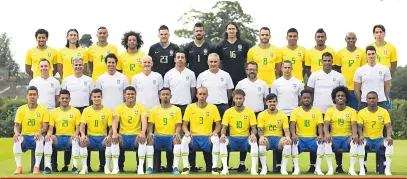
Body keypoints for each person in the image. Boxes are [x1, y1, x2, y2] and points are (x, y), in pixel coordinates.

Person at [180, 87, 222, 174]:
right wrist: (186, 132)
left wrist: (215, 132)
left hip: (207, 137)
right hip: (193, 137)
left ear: (207, 95)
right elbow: (184, 125)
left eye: (204, 94)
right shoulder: (190, 107)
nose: (202, 96)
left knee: (215, 139)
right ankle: (186, 167)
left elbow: (218, 125)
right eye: (200, 94)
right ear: (196, 95)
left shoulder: (213, 107)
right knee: (184, 140)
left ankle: (214, 167)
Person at [219, 89, 258, 175]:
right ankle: (225, 168)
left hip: (245, 138)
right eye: (236, 98)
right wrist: (222, 135)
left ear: (244, 99)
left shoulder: (250, 112)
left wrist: (253, 134)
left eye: (240, 98)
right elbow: (224, 128)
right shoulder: (228, 112)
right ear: (233, 99)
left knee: (254, 141)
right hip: (232, 138)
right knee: (222, 141)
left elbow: (254, 128)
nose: (238, 100)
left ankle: (253, 169)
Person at [111, 86, 148, 174]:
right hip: (123, 136)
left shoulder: (141, 107)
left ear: (136, 95)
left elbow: (144, 120)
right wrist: (115, 132)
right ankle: (116, 167)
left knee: (142, 140)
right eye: (128, 94)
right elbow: (115, 120)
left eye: (132, 94)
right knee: (114, 139)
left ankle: (140, 167)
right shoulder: (119, 107)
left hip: (135, 136)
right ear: (124, 95)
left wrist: (142, 132)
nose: (130, 96)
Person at [12, 86, 49, 174]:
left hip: (36, 136)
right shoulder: (21, 109)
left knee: (40, 139)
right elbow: (16, 125)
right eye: (30, 95)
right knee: (16, 140)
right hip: (25, 137)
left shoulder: (43, 109)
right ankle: (19, 167)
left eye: (34, 95)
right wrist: (17, 133)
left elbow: (45, 127)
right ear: (26, 96)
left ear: (38, 96)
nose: (32, 97)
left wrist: (39, 132)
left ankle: (36, 167)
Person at [44, 90, 82, 174]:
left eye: (66, 98)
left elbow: (78, 128)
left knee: (76, 139)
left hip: (70, 138)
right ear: (59, 99)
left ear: (70, 99)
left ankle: (74, 167)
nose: (64, 100)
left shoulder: (76, 112)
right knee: (48, 139)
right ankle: (47, 167)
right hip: (58, 138)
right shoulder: (54, 112)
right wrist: (48, 135)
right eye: (62, 98)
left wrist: (76, 134)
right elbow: (50, 128)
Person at [79, 88, 116, 174]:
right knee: (83, 141)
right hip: (90, 137)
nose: (96, 99)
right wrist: (83, 135)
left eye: (98, 97)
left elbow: (111, 127)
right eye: (94, 97)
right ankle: (85, 167)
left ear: (101, 97)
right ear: (91, 98)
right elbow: (82, 126)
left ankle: (106, 167)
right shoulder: (86, 110)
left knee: (109, 142)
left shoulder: (107, 111)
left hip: (102, 137)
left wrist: (109, 136)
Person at [323, 86, 358, 175]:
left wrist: (354, 135)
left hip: (347, 138)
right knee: (327, 142)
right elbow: (326, 124)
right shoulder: (329, 111)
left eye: (342, 95)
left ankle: (351, 169)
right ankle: (330, 169)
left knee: (354, 142)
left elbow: (353, 124)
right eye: (338, 96)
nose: (340, 97)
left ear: (346, 98)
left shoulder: (352, 111)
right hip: (334, 138)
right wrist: (326, 134)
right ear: (334, 98)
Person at [146, 88, 183, 174]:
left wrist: (177, 132)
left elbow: (178, 125)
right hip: (158, 136)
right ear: (160, 96)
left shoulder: (176, 109)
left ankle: (175, 167)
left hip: (170, 136)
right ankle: (150, 167)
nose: (165, 96)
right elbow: (150, 124)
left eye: (167, 94)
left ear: (171, 96)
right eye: (163, 94)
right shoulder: (154, 109)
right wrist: (150, 132)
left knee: (177, 140)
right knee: (150, 140)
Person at [357, 91, 394, 176]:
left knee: (389, 144)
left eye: (374, 98)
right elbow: (359, 127)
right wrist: (361, 136)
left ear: (377, 99)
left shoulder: (384, 112)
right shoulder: (362, 112)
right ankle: (362, 168)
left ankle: (387, 169)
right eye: (369, 98)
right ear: (366, 100)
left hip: (379, 139)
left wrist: (388, 136)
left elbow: (388, 126)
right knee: (361, 143)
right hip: (367, 138)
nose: (371, 100)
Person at [290, 89, 325, 175]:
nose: (306, 99)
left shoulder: (317, 111)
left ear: (311, 99)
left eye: (308, 98)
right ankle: (296, 168)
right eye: (304, 98)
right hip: (300, 138)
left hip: (312, 138)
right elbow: (292, 124)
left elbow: (320, 125)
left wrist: (320, 135)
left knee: (322, 144)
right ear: (301, 99)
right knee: (293, 144)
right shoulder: (295, 111)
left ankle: (317, 168)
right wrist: (293, 135)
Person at [257, 93, 291, 175]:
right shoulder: (261, 115)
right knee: (261, 142)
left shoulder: (283, 115)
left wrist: (288, 137)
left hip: (278, 139)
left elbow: (286, 129)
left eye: (274, 101)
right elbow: (260, 129)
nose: (272, 103)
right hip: (267, 139)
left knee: (287, 143)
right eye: (270, 101)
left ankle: (283, 168)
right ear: (266, 103)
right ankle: (264, 168)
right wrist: (261, 137)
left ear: (277, 102)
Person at [196, 53, 233, 118]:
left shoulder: (226, 75)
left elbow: (230, 92)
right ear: (207, 62)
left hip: (222, 107)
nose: (213, 64)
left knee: (223, 127)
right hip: (207, 107)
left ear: (219, 62)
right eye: (211, 62)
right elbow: (198, 92)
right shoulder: (201, 76)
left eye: (215, 62)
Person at [354, 46, 391, 110]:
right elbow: (356, 90)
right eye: (369, 54)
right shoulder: (359, 70)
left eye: (373, 54)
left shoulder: (385, 69)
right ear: (366, 55)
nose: (371, 56)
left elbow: (387, 87)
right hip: (365, 102)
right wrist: (361, 101)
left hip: (381, 102)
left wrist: (382, 97)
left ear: (376, 54)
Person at [336, 32, 366, 110]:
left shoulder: (362, 52)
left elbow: (364, 70)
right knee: (344, 111)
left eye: (353, 38)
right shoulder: (340, 52)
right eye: (349, 38)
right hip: (344, 88)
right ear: (345, 40)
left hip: (357, 88)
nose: (351, 40)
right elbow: (337, 69)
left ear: (356, 39)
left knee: (356, 111)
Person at [216, 22, 251, 87]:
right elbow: (219, 63)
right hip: (225, 77)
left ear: (236, 30)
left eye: (233, 29)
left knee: (240, 96)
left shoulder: (244, 44)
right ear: (226, 30)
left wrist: (247, 74)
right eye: (229, 29)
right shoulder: (220, 45)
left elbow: (246, 61)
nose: (231, 31)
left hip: (241, 77)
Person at [164, 50, 196, 114]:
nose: (180, 59)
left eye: (182, 57)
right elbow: (166, 91)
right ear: (174, 60)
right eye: (178, 57)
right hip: (172, 106)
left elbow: (193, 90)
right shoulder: (168, 74)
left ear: (185, 60)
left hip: (187, 106)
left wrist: (189, 101)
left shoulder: (191, 74)